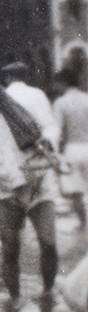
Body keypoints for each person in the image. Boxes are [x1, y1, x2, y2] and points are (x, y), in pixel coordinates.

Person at [0, 70, 59, 297]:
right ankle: (14, 301)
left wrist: (47, 140)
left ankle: (48, 295)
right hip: (7, 194)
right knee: (10, 248)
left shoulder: (26, 100)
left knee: (49, 243)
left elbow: (51, 127)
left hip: (39, 185)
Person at [53, 67, 88, 227]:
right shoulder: (86, 99)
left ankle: (83, 222)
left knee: (76, 190)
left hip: (72, 149)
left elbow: (57, 131)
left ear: (63, 83)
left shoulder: (61, 103)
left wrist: (55, 153)